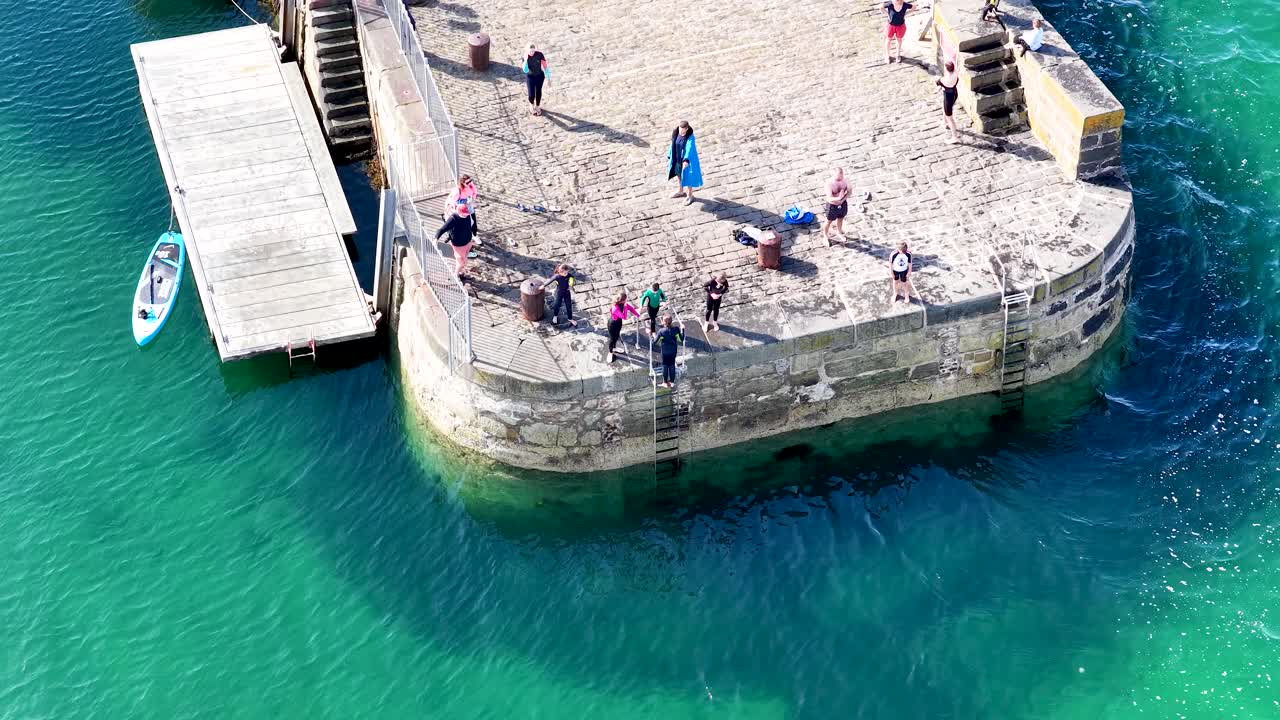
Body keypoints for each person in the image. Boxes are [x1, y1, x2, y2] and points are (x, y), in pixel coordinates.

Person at [435, 201, 474, 281]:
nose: (467, 215)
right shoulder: (453, 219)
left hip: (468, 241)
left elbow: (470, 224)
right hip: (459, 245)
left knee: (465, 260)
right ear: (459, 212)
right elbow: (441, 229)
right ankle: (456, 275)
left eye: (467, 214)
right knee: (461, 262)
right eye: (465, 214)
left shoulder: (467, 214)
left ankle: (461, 272)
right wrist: (435, 239)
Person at [667, 121, 703, 206]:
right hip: (677, 159)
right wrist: (670, 154)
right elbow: (673, 143)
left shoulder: (690, 137)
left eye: (683, 130)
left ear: (686, 129)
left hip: (686, 162)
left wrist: (686, 160)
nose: (681, 131)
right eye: (680, 129)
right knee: (678, 174)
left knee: (688, 177)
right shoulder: (676, 132)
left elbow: (689, 148)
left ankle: (690, 195)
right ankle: (680, 191)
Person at [606, 292, 640, 363]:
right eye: (625, 299)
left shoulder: (624, 304)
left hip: (618, 323)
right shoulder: (615, 308)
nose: (626, 301)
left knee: (616, 337)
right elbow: (624, 317)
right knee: (612, 339)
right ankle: (610, 352)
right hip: (612, 324)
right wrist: (624, 307)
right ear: (622, 300)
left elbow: (631, 309)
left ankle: (614, 348)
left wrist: (637, 315)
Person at [447, 174, 480, 245]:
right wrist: (465, 201)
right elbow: (454, 201)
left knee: (474, 221)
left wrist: (472, 199)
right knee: (464, 225)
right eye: (467, 182)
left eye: (470, 181)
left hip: (469, 206)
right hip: (461, 209)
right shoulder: (458, 191)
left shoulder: (470, 185)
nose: (469, 183)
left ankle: (474, 235)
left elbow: (474, 192)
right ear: (462, 182)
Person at [654, 314, 684, 388]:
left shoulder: (661, 331)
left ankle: (665, 382)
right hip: (673, 350)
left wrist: (650, 333)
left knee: (665, 365)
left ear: (663, 322)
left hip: (665, 351)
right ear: (671, 321)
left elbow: (654, 342)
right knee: (672, 365)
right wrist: (683, 329)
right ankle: (672, 382)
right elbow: (682, 339)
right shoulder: (676, 329)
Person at [821, 167, 850, 246]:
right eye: (837, 179)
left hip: (843, 203)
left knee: (841, 218)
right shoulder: (829, 183)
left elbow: (850, 191)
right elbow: (829, 198)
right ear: (833, 176)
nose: (839, 180)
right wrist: (839, 198)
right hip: (832, 205)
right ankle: (825, 236)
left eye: (841, 178)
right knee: (828, 221)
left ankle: (839, 232)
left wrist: (843, 199)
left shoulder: (845, 180)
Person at [936, 61, 960, 144]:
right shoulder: (956, 72)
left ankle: (955, 137)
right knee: (945, 108)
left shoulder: (944, 79)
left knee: (950, 118)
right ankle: (945, 123)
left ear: (946, 69)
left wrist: (940, 87)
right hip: (954, 93)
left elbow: (937, 83)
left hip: (948, 97)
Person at [883, 0, 913, 64]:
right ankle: (887, 55)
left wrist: (906, 13)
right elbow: (880, 7)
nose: (896, 1)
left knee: (899, 40)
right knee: (888, 39)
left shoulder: (905, 5)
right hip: (891, 26)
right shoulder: (890, 4)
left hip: (900, 26)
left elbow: (914, 7)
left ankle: (898, 54)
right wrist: (887, 14)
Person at [523, 43, 549, 115]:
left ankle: (537, 106)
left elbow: (545, 66)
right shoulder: (525, 56)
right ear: (527, 50)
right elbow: (525, 70)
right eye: (530, 51)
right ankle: (531, 105)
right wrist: (526, 60)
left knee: (538, 92)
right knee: (531, 95)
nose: (532, 52)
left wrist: (548, 78)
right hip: (530, 77)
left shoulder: (539, 54)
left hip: (539, 76)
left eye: (533, 51)